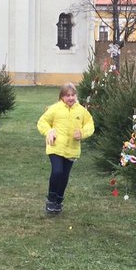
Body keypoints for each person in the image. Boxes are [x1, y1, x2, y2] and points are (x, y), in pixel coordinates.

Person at [37, 83, 94, 214]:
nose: (70, 98)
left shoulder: (81, 111)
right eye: (67, 95)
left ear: (76, 96)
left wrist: (82, 133)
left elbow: (90, 125)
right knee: (57, 171)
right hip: (55, 146)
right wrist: (49, 131)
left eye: (73, 95)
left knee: (64, 176)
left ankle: (58, 201)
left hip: (72, 149)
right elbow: (42, 121)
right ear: (62, 97)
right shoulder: (55, 109)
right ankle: (51, 199)